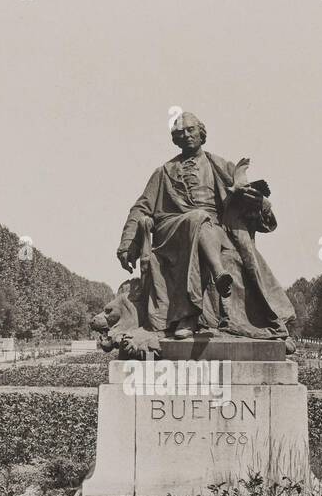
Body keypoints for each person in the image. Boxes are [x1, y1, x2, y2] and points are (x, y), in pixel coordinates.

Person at [115, 112, 294, 342]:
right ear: (175, 140)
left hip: (216, 230)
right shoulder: (163, 172)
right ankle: (217, 277)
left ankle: (194, 314)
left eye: (191, 130)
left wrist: (260, 203)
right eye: (180, 133)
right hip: (173, 229)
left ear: (202, 134)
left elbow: (258, 207)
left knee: (202, 221)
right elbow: (141, 207)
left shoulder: (221, 166)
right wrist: (127, 243)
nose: (186, 135)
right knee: (197, 218)